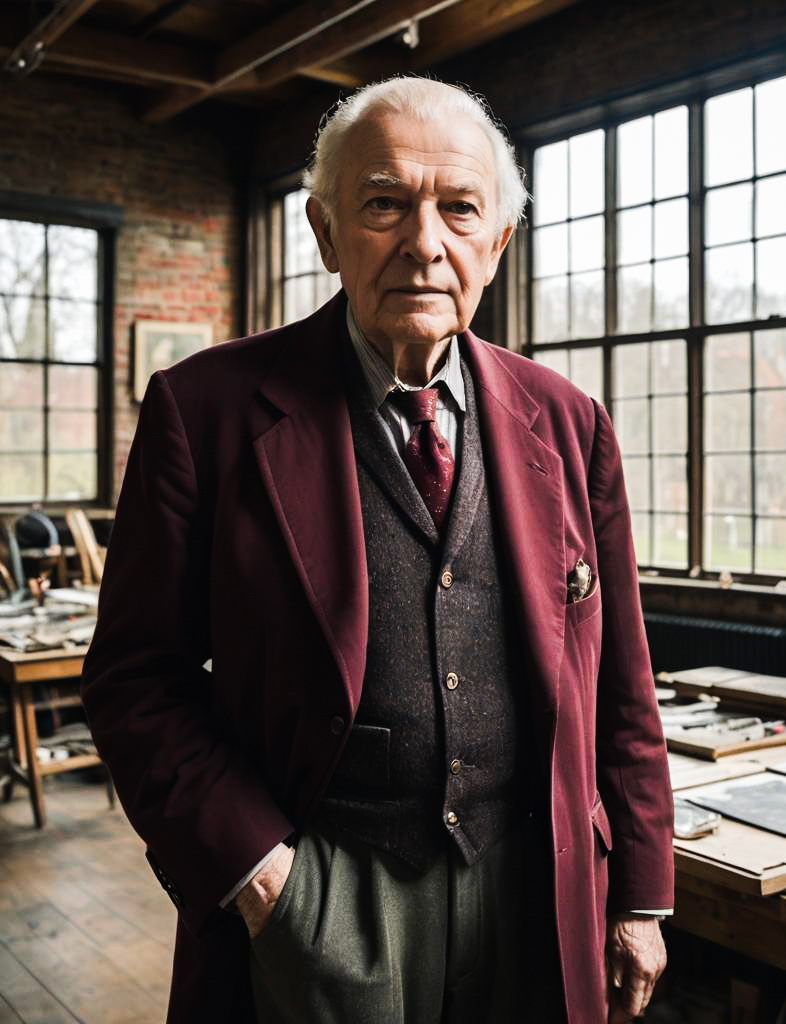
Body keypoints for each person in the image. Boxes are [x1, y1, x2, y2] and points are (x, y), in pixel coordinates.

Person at [81, 77, 674, 1023]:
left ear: (499, 245)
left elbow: (620, 683)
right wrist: (261, 874)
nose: (424, 243)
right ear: (325, 233)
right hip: (318, 889)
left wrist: (641, 891)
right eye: (385, 203)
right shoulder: (206, 412)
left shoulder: (570, 424)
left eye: (459, 209)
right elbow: (133, 678)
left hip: (532, 880)